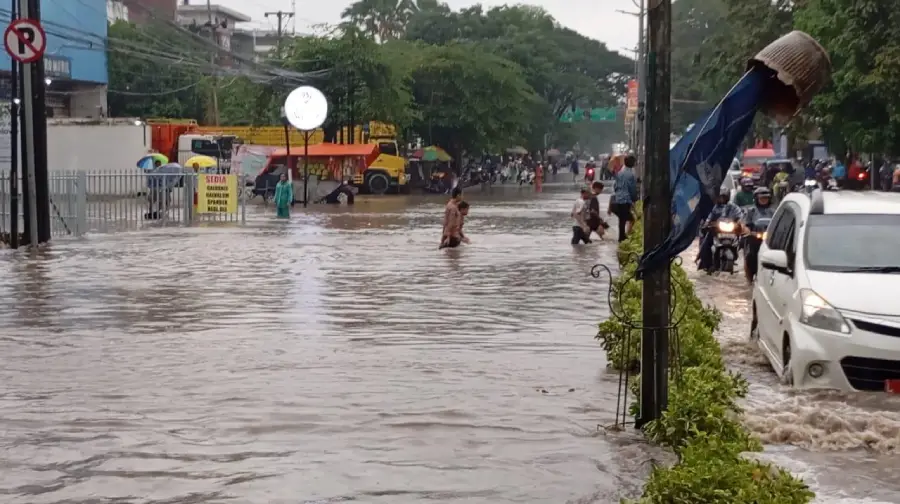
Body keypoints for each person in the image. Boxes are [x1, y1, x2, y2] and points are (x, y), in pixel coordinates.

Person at [697, 187, 743, 272]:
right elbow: (709, 217)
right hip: (716, 230)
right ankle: (707, 264)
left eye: (723, 197)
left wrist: (740, 223)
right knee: (706, 244)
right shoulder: (714, 207)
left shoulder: (733, 207)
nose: (720, 199)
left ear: (727, 197)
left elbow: (740, 216)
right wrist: (707, 224)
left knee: (743, 239)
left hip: (731, 231)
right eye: (719, 197)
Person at [608, 154, 638, 242]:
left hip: (618, 199)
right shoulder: (631, 174)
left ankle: (622, 236)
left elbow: (616, 186)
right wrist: (634, 199)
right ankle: (622, 237)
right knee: (627, 219)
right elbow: (632, 189)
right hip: (626, 199)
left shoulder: (620, 173)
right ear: (632, 163)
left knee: (622, 219)